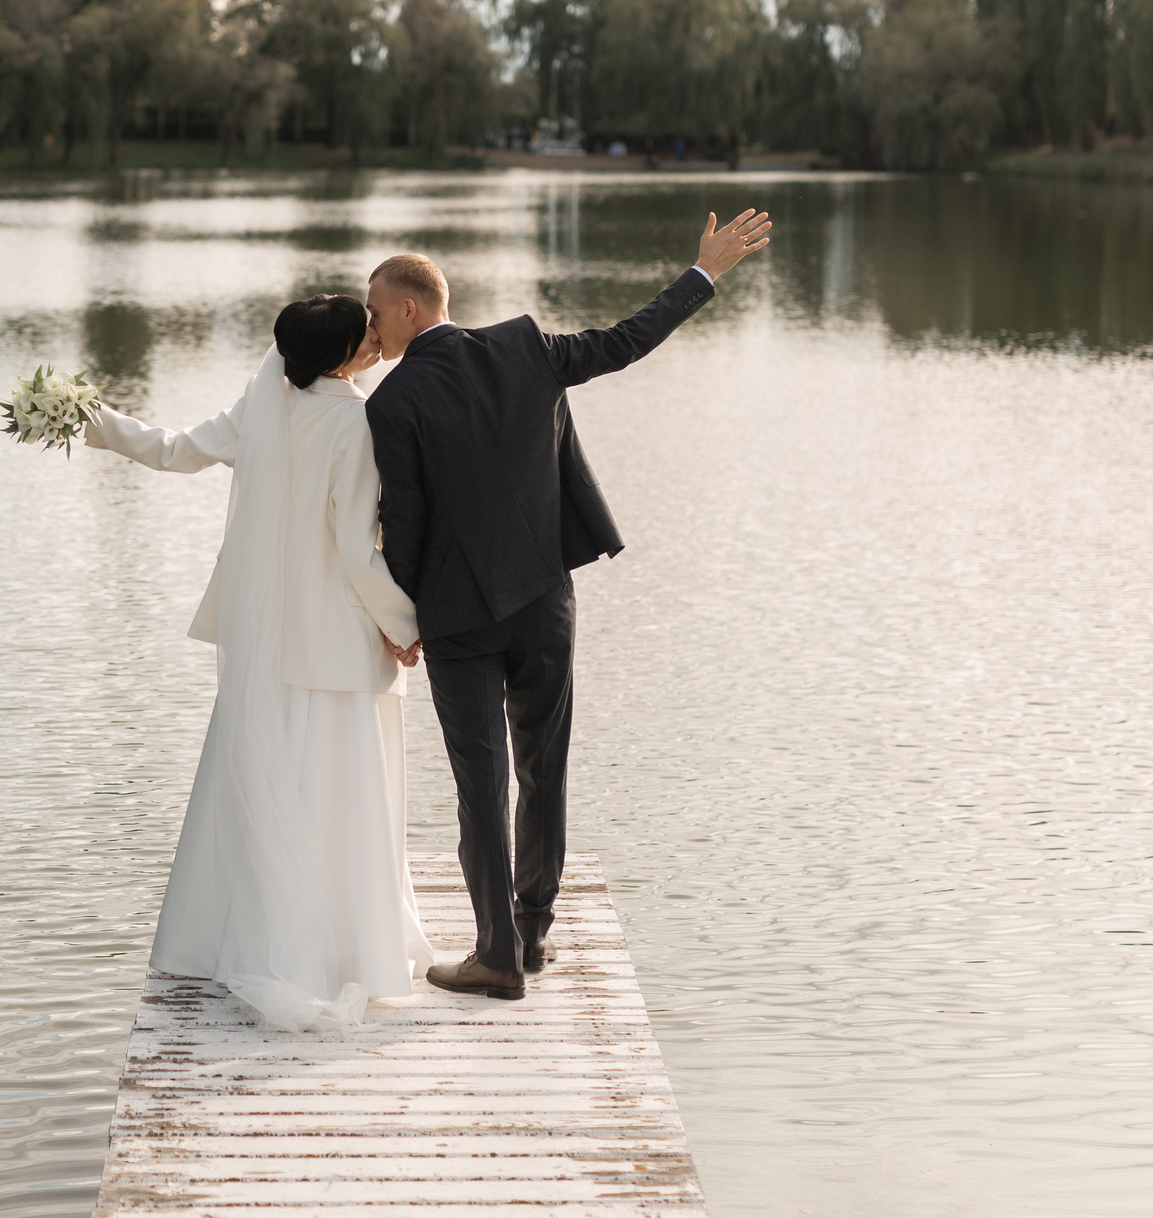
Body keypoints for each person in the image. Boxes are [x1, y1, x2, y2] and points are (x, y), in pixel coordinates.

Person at [363, 209, 772, 1000]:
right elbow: (623, 342)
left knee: (481, 784)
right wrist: (703, 274)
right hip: (547, 597)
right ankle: (534, 930)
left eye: (375, 308)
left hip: (460, 620)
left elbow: (403, 528)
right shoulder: (522, 345)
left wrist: (400, 621)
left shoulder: (392, 402)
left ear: (412, 306)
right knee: (542, 769)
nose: (371, 324)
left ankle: (496, 954)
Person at [82, 295, 434, 1032]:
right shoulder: (352, 420)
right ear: (341, 353)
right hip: (335, 641)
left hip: (270, 644)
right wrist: (405, 620)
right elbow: (351, 542)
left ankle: (229, 937)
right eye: (366, 330)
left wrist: (88, 417)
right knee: (339, 792)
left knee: (277, 785)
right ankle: (346, 945)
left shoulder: (265, 404)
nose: (378, 337)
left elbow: (175, 449)